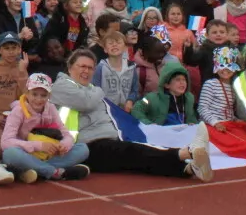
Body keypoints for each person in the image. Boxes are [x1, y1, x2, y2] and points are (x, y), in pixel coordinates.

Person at [51, 49, 214, 181]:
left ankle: (186, 169)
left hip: (109, 138)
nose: (86, 71)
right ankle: (186, 153)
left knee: (138, 160)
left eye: (90, 67)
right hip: (87, 145)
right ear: (70, 66)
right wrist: (100, 90)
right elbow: (85, 102)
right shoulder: (61, 86)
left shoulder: (91, 89)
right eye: (82, 66)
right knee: (133, 152)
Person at [0, 73, 90, 183]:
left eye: (43, 95)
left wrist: (63, 146)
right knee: (10, 154)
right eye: (34, 94)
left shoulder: (51, 108)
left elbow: (66, 134)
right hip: (25, 154)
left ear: (49, 96)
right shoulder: (18, 111)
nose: (38, 99)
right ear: (27, 93)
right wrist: (39, 145)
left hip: (48, 155)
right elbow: (5, 142)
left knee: (83, 149)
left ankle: (35, 170)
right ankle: (55, 172)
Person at [132, 61, 198, 125]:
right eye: (178, 79)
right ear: (166, 84)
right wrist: (148, 124)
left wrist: (192, 123)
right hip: (161, 133)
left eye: (184, 80)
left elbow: (192, 117)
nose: (182, 83)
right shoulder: (150, 98)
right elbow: (137, 109)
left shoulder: (189, 99)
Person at [92, 30, 139, 112]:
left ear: (125, 48)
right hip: (106, 111)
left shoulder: (131, 67)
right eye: (110, 43)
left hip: (125, 111)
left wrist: (130, 100)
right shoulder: (100, 68)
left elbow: (134, 89)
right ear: (105, 49)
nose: (114, 45)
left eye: (118, 42)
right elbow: (95, 90)